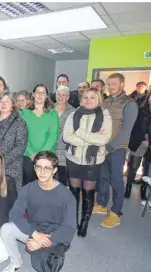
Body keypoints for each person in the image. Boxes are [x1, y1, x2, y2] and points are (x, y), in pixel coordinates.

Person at [0, 151, 76, 272]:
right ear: (34, 168)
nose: (42, 171)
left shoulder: (66, 195)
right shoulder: (28, 189)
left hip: (54, 234)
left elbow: (69, 228)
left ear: (55, 170)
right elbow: (14, 214)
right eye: (39, 167)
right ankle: (16, 261)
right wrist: (34, 234)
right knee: (6, 228)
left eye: (47, 168)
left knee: (43, 265)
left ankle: (52, 253)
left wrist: (43, 242)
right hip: (34, 230)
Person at [63, 88, 112, 237]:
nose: (88, 100)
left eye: (92, 97)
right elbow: (66, 137)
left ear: (98, 100)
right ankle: (73, 221)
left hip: (93, 161)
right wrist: (91, 138)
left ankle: (84, 223)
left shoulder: (105, 116)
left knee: (88, 193)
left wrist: (80, 133)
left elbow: (103, 139)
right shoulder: (73, 115)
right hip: (74, 159)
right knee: (74, 192)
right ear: (81, 99)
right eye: (85, 97)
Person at [93, 73, 138, 228]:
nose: (111, 87)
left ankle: (116, 212)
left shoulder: (130, 103)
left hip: (117, 148)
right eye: (109, 84)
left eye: (114, 84)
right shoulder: (105, 101)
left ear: (122, 84)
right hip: (103, 146)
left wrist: (110, 147)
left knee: (116, 179)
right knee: (103, 177)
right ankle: (101, 203)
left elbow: (126, 130)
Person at [0, 90, 27, 190]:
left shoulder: (20, 123)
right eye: (1, 101)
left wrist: (1, 162)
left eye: (7, 101)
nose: (3, 104)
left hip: (11, 169)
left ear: (12, 104)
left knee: (10, 201)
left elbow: (20, 147)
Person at [21, 84, 59, 186]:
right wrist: (30, 153)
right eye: (38, 92)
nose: (40, 95)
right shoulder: (24, 113)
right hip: (27, 155)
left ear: (47, 96)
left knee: (45, 185)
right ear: (33, 94)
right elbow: (21, 135)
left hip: (47, 155)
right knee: (28, 185)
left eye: (43, 93)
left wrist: (40, 154)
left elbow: (53, 135)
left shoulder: (53, 114)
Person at [125, 89, 151, 198]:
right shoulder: (141, 110)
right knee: (133, 167)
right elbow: (134, 127)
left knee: (147, 169)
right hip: (140, 141)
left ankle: (143, 193)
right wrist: (143, 140)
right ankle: (128, 189)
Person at [54, 85, 75, 186]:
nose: (60, 97)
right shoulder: (48, 110)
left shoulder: (73, 112)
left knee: (63, 178)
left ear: (68, 97)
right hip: (50, 147)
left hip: (64, 149)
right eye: (58, 94)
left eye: (63, 95)